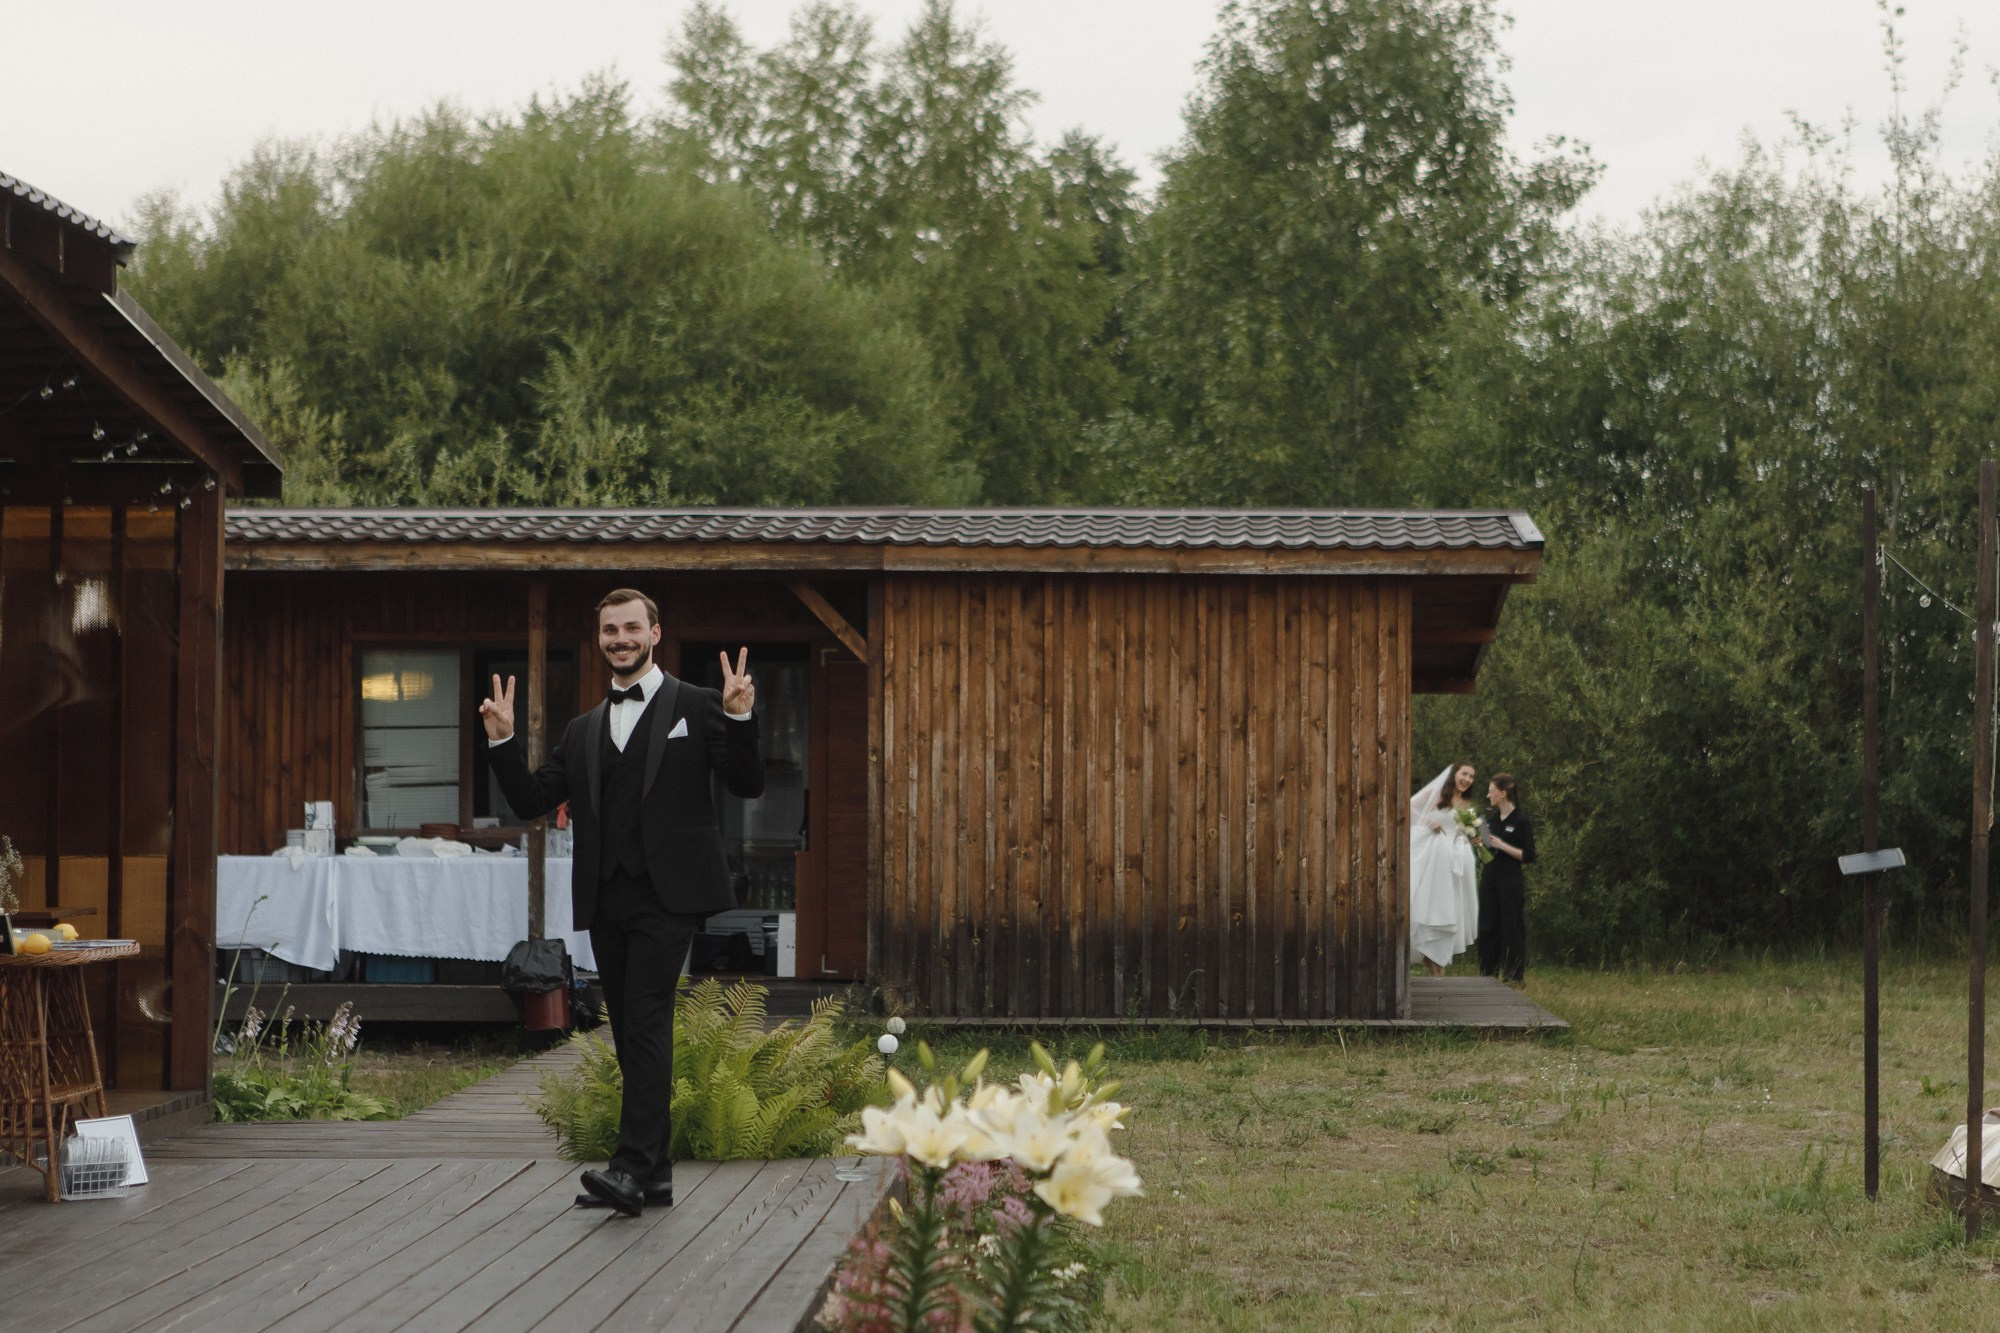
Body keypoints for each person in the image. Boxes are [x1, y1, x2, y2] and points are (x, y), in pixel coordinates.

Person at [481, 589, 764, 1216]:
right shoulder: (582, 729)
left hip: (670, 894)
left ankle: (631, 1168)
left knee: (645, 1018)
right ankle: (654, 1177)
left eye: (632, 627)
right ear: (601, 639)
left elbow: (747, 783)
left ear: (655, 634)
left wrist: (741, 718)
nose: (621, 639)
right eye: (610, 630)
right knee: (632, 1029)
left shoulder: (698, 704)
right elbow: (531, 800)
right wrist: (502, 742)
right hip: (606, 896)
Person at [1409, 761, 1480, 976]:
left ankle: (1437, 966)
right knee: (1430, 906)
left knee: (1447, 909)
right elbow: (1408, 806)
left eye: (1471, 776)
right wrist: (1428, 821)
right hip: (1432, 855)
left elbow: (1459, 832)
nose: (1467, 779)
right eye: (1464, 774)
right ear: (1454, 774)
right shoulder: (1437, 794)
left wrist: (1470, 839)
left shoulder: (1466, 804)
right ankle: (1431, 961)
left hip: (1451, 861)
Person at [1477, 773, 1536, 984]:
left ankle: (1513, 976)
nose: (1488, 795)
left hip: (1510, 879)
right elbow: (1488, 853)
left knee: (1511, 926)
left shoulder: (1521, 821)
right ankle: (1488, 974)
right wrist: (1481, 845)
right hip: (1490, 878)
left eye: (1491, 791)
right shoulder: (1491, 821)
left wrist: (1502, 845)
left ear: (1502, 794)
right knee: (1487, 925)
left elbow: (1529, 855)